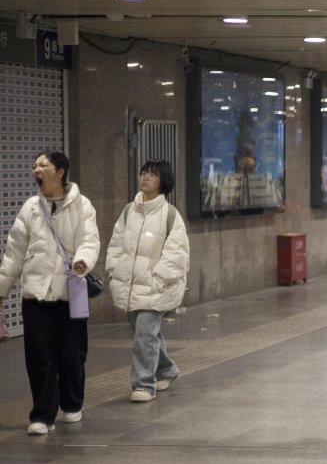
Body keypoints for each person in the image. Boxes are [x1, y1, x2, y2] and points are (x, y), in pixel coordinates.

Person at [0, 151, 100, 435]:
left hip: (70, 293)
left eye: (43, 165)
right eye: (34, 166)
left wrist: (82, 261)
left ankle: (71, 403)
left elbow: (90, 240)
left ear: (60, 171)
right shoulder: (31, 207)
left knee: (71, 354)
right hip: (36, 297)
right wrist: (2, 289)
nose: (36, 169)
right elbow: (14, 252)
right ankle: (43, 415)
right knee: (39, 355)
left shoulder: (82, 205)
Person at [106, 160, 190, 403]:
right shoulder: (128, 211)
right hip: (130, 285)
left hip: (156, 288)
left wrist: (158, 279)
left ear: (162, 181)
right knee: (147, 334)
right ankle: (166, 369)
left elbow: (176, 253)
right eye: (143, 173)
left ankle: (144, 384)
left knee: (144, 334)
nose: (145, 178)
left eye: (151, 175)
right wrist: (114, 269)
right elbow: (116, 243)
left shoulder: (170, 215)